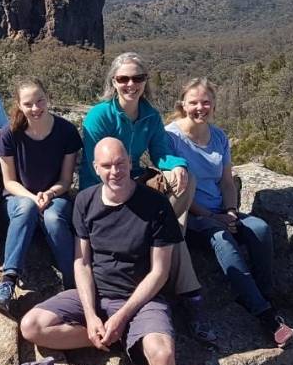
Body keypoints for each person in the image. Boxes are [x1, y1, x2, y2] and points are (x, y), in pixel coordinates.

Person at [20, 137, 191, 365]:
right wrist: (93, 315)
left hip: (141, 299)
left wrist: (123, 315)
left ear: (131, 162)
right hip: (98, 296)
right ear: (95, 169)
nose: (115, 171)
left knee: (162, 355)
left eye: (120, 163)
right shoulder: (85, 201)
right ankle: (113, 339)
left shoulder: (154, 205)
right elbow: (81, 262)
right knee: (32, 326)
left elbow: (159, 272)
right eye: (106, 166)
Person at [80, 52, 214, 342]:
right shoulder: (99, 116)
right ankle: (191, 295)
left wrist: (176, 164)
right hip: (109, 188)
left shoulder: (150, 115)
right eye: (123, 79)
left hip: (136, 181)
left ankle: (162, 234)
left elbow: (160, 152)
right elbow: (92, 170)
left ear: (145, 82)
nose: (131, 84)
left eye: (138, 78)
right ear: (113, 82)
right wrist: (99, 203)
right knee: (173, 237)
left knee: (185, 178)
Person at [165, 78, 293, 348]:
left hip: (220, 209)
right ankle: (266, 315)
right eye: (193, 102)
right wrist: (213, 218)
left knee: (259, 229)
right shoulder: (171, 137)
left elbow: (226, 181)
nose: (200, 108)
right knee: (222, 238)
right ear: (182, 105)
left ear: (213, 104)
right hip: (190, 216)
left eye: (205, 102)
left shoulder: (219, 137)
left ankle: (261, 293)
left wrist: (231, 211)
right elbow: (176, 192)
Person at [0, 77, 81, 310]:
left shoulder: (66, 131)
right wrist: (32, 198)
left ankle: (74, 285)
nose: (36, 108)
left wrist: (49, 194)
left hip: (56, 196)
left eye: (40, 101)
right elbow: (9, 182)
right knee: (27, 208)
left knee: (53, 217)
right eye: (29, 104)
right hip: (18, 198)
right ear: (19, 105)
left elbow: (65, 180)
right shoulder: (10, 134)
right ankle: (8, 282)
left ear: (47, 98)